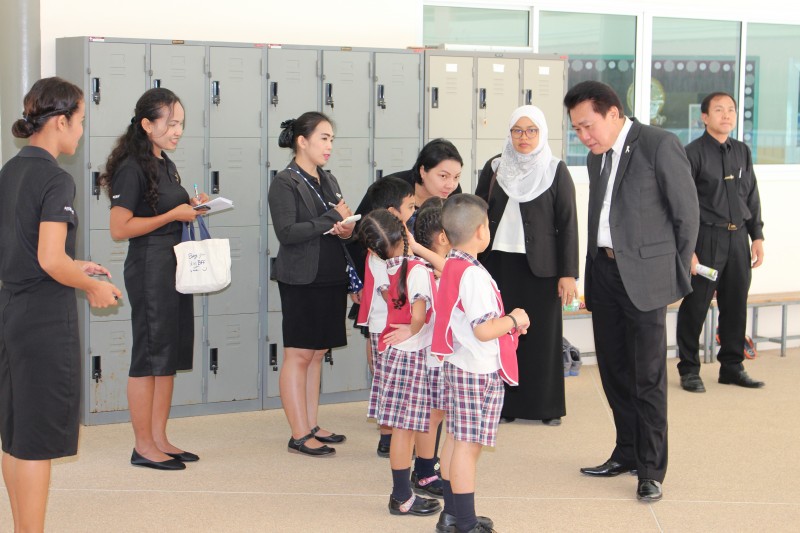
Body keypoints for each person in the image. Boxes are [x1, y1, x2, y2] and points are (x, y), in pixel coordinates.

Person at [563, 81, 699, 502]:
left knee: (648, 376)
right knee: (614, 369)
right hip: (604, 273)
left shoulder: (659, 145)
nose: (584, 136)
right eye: (577, 129)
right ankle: (626, 451)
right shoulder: (595, 158)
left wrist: (673, 274)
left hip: (645, 277)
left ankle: (651, 468)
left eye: (588, 126)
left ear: (613, 113)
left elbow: (686, 215)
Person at [0, 76, 121, 532]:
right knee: (35, 442)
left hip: (11, 311)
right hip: (44, 320)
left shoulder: (10, 170)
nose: (82, 131)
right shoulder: (55, 178)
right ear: (60, 121)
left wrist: (76, 265)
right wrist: (91, 287)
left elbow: (26, 249)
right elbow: (49, 260)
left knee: (15, 436)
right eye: (81, 121)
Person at [101, 88, 206, 471]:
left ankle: (160, 439)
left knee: (168, 354)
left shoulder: (165, 162)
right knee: (149, 355)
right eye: (171, 123)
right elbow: (120, 228)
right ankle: (143, 446)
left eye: (181, 124)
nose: (177, 131)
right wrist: (172, 215)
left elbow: (163, 206)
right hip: (149, 266)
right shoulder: (132, 167)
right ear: (147, 124)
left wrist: (190, 207)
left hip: (173, 263)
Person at [475, 105, 579, 426]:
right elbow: (477, 213)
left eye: (531, 130)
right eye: (517, 130)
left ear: (542, 133)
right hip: (497, 264)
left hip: (542, 268)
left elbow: (568, 223)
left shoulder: (555, 169)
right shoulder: (495, 167)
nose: (524, 137)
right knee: (503, 334)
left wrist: (568, 274)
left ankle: (546, 407)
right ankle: (506, 405)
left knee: (543, 339)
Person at [433, 194, 530, 533]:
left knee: (454, 439)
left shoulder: (453, 263)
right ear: (480, 231)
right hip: (475, 370)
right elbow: (484, 329)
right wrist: (514, 319)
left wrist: (506, 323)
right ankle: (465, 522)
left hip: (459, 364)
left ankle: (452, 514)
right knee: (467, 447)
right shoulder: (472, 275)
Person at [267, 112, 356, 457]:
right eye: (324, 138)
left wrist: (345, 228)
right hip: (302, 277)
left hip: (331, 274)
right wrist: (331, 219)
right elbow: (287, 233)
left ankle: (311, 424)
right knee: (299, 353)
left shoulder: (328, 179)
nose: (329, 145)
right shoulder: (285, 182)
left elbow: (337, 225)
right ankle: (298, 434)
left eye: (332, 139)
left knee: (318, 352)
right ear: (302, 141)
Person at [676, 92, 765, 392]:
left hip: (738, 238)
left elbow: (751, 196)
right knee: (696, 305)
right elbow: (682, 205)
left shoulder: (742, 151)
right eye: (718, 110)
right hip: (707, 239)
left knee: (736, 303)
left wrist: (757, 236)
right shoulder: (692, 153)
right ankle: (689, 369)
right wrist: (688, 249)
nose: (726, 115)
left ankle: (732, 366)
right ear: (704, 117)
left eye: (731, 110)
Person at [356, 209, 441, 518]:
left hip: (395, 353)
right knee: (405, 431)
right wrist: (412, 329)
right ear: (404, 233)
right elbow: (418, 315)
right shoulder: (416, 269)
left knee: (402, 430)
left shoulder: (389, 267)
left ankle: (403, 492)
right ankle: (401, 496)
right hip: (410, 354)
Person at [356, 177, 416, 458]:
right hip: (386, 326)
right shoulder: (380, 251)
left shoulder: (402, 243)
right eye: (410, 206)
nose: (414, 211)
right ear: (393, 213)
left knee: (399, 383)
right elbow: (387, 292)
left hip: (398, 324)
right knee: (388, 382)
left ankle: (395, 436)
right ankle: (387, 437)